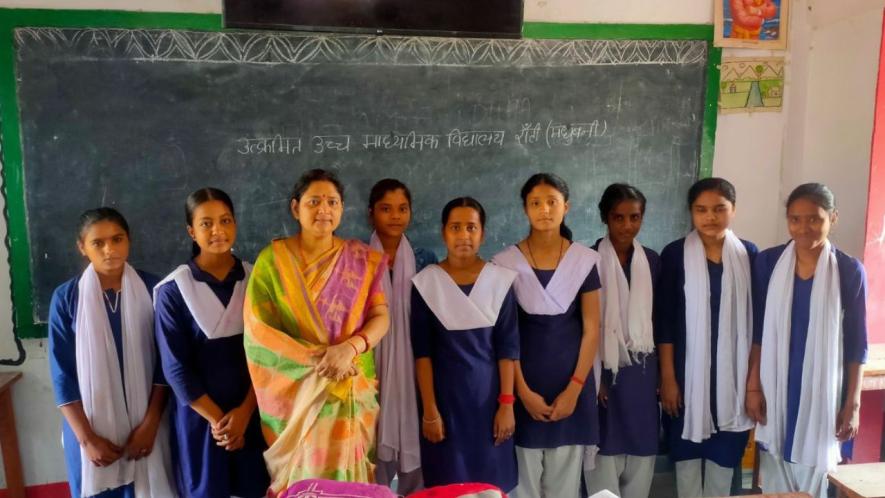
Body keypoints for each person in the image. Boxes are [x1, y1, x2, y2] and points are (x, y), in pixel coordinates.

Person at [243, 168, 390, 494]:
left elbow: (380, 316)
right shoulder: (273, 261)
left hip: (351, 385)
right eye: (314, 201)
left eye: (332, 202)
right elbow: (259, 333)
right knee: (305, 481)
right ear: (296, 208)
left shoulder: (360, 259)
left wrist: (350, 348)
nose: (324, 209)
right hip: (298, 395)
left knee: (349, 485)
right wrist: (321, 360)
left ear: (341, 209)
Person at [748, 183, 867, 498]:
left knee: (814, 479)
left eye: (814, 218)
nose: (803, 228)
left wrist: (852, 405)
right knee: (775, 475)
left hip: (822, 393)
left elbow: (857, 343)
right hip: (777, 386)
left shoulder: (848, 269)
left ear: (833, 218)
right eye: (795, 219)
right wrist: (753, 386)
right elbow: (758, 332)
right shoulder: (768, 262)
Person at [48, 207, 176, 498]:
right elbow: (62, 374)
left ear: (128, 241)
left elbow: (165, 362)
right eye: (98, 243)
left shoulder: (155, 289)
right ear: (82, 247)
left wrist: (151, 422)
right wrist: (87, 439)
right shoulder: (67, 298)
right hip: (89, 428)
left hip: (148, 423)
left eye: (117, 239)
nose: (110, 249)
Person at [154, 188, 270, 497]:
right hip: (202, 422)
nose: (218, 230)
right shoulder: (174, 290)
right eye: (206, 223)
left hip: (254, 413)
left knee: (255, 488)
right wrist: (223, 425)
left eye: (225, 220)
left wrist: (244, 415)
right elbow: (175, 369)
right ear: (191, 231)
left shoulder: (256, 279)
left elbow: (269, 355)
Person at [491, 173, 600, 498]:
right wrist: (521, 392)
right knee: (522, 486)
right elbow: (505, 336)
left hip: (572, 387)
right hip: (523, 387)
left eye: (552, 202)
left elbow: (591, 328)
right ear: (524, 209)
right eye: (535, 203)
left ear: (566, 207)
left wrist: (574, 390)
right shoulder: (505, 264)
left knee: (564, 487)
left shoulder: (583, 261)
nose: (544, 210)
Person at [656, 178, 757, 497]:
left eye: (719, 209)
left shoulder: (749, 255)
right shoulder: (674, 255)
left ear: (734, 210)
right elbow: (666, 321)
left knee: (722, 463)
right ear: (691, 213)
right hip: (687, 378)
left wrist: (753, 382)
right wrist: (668, 378)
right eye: (701, 210)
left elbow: (757, 327)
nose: (710, 217)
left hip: (732, 381)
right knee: (686, 463)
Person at [411, 197, 519, 492]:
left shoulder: (500, 281)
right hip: (445, 409)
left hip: (489, 405)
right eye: (455, 227)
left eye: (471, 227)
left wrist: (507, 405)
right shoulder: (426, 283)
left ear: (482, 233)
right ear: (444, 232)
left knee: (491, 486)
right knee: (449, 486)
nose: (463, 235)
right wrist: (430, 411)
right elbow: (423, 354)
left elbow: (507, 350)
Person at [585, 184, 661, 498]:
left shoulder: (654, 262)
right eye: (618, 217)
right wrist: (597, 377)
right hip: (601, 374)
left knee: (641, 459)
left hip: (643, 376)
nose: (627, 226)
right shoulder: (586, 259)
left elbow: (663, 322)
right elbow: (583, 326)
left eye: (635, 217)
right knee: (604, 456)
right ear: (605, 218)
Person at [367, 179, 437, 494]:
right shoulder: (356, 258)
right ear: (371, 214)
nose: (395, 216)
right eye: (386, 209)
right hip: (369, 362)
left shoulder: (425, 259)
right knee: (369, 440)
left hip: (416, 362)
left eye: (402, 208)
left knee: (419, 446)